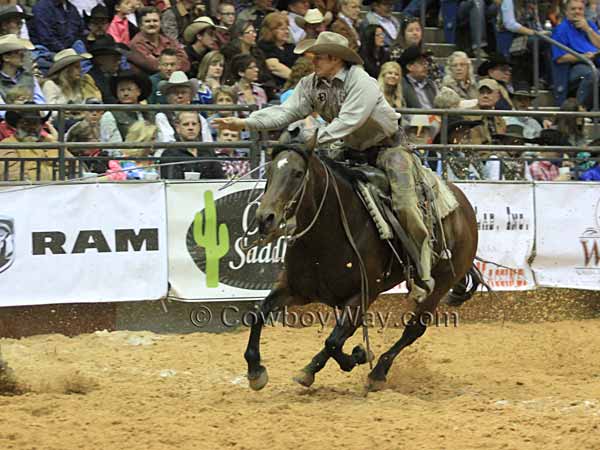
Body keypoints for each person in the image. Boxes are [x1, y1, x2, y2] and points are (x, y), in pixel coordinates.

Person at [212, 31, 437, 303]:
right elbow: (286, 112)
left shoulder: (361, 83)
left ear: (335, 59)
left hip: (388, 148)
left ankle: (421, 269)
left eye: (318, 56)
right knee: (313, 188)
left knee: (404, 203)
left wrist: (311, 140)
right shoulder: (311, 84)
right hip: (348, 147)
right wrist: (246, 123)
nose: (313, 61)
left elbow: (348, 122)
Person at [0, 107, 73, 182]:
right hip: (27, 191)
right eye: (26, 123)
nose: (31, 128)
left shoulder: (52, 143)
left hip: (62, 189)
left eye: (35, 123)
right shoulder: (6, 145)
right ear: (16, 125)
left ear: (41, 126)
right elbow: (13, 177)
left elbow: (76, 168)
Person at [552, 0, 600, 109]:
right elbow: (559, 58)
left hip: (594, 61)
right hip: (573, 67)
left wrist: (588, 29)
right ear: (566, 12)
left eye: (580, 9)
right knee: (592, 73)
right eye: (573, 9)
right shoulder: (561, 29)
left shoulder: (589, 25)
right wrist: (582, 57)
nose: (577, 12)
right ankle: (579, 108)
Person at [160, 111, 224, 179]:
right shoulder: (169, 154)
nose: (191, 128)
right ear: (177, 128)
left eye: (194, 124)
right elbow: (171, 184)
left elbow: (219, 179)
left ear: (199, 127)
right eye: (186, 124)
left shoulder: (209, 151)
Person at [42, 49, 102, 121]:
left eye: (80, 66)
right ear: (66, 70)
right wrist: (66, 111)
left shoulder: (78, 84)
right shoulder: (50, 85)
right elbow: (48, 111)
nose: (80, 70)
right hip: (59, 124)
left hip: (78, 121)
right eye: (76, 67)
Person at [128, 6, 190, 74]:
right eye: (147, 21)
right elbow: (154, 66)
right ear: (140, 25)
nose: (152, 24)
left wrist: (168, 65)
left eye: (155, 21)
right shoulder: (136, 44)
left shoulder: (168, 40)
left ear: (160, 23)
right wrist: (175, 63)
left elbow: (185, 63)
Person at [154, 70, 213, 142]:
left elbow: (207, 142)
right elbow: (167, 142)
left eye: (183, 92)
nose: (180, 96)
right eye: (175, 92)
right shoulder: (162, 117)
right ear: (167, 96)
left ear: (190, 96)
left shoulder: (200, 118)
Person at [100, 69, 153, 143]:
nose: (125, 93)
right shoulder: (110, 116)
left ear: (139, 91)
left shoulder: (150, 113)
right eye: (122, 90)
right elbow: (112, 147)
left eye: (129, 89)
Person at [258, 12, 298, 88]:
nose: (286, 32)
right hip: (275, 87)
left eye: (287, 29)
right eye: (282, 29)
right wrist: (297, 79)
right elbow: (274, 66)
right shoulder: (264, 46)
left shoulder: (291, 47)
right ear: (271, 31)